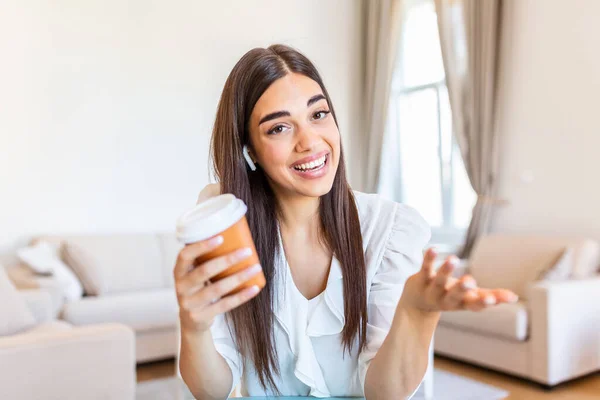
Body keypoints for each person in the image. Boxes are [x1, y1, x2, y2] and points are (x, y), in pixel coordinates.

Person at [174, 44, 517, 399]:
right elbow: (213, 391)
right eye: (278, 128)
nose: (310, 141)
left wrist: (417, 312)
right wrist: (194, 327)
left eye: (318, 114)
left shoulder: (388, 230)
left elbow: (383, 392)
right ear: (250, 152)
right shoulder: (227, 226)